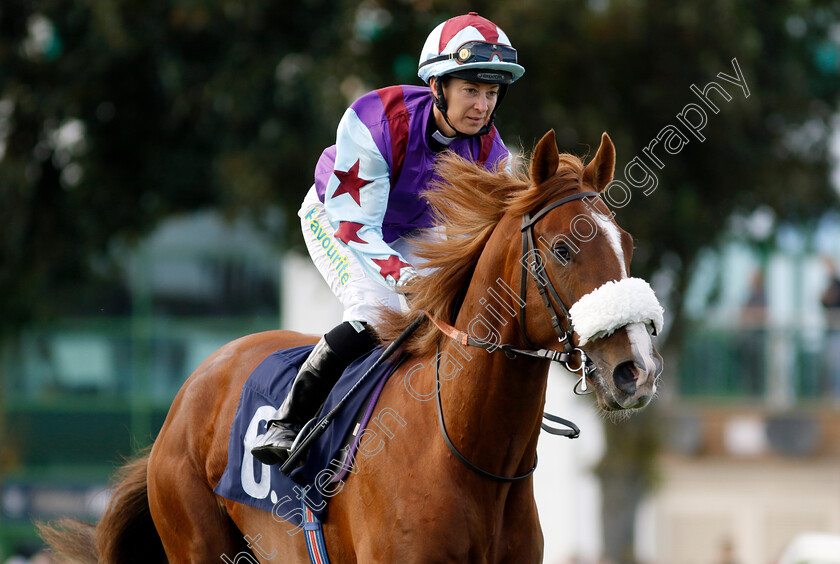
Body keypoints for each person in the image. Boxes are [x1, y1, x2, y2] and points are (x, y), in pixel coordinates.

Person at [251, 12, 525, 465]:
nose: (482, 105)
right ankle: (288, 420)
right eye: (470, 90)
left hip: (411, 229)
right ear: (437, 86)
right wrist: (405, 279)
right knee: (376, 312)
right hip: (338, 217)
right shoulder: (375, 118)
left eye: (491, 92)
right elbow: (356, 227)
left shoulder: (492, 155)